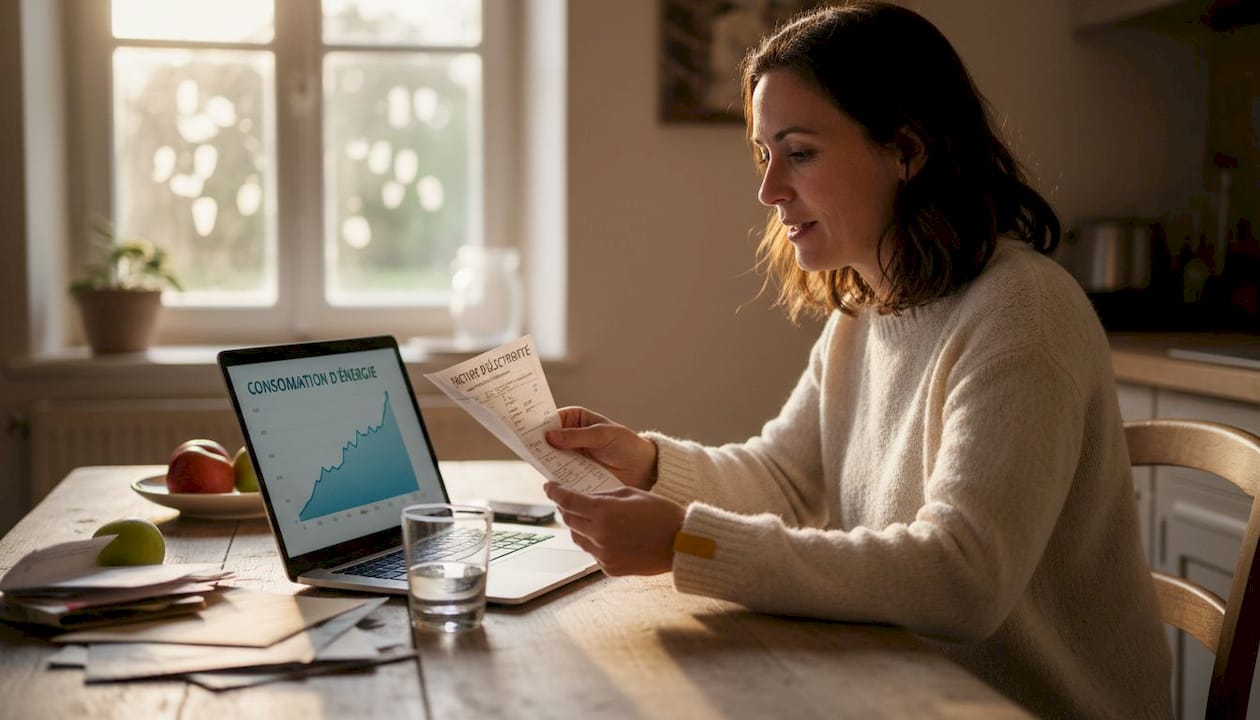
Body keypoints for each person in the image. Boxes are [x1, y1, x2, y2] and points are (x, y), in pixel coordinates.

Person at [543, 2, 1173, 718]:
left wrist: (689, 542)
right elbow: (784, 477)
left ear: (906, 151)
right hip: (901, 688)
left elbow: (963, 576)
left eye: (800, 152)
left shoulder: (1022, 315)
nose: (769, 190)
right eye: (763, 153)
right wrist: (646, 462)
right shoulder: (869, 311)